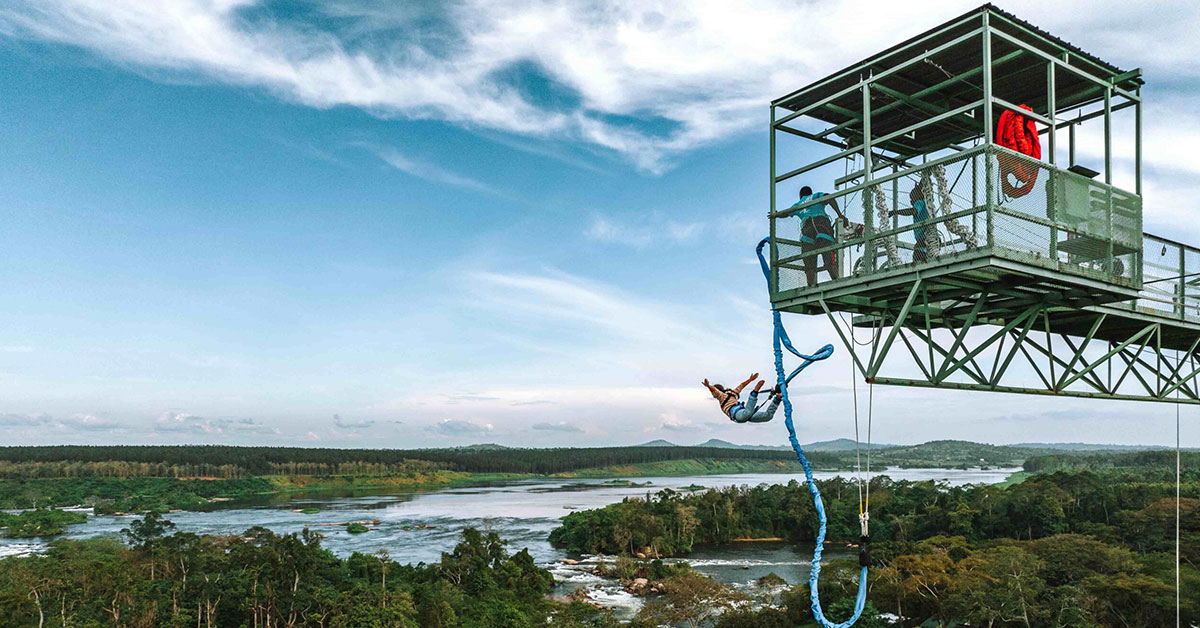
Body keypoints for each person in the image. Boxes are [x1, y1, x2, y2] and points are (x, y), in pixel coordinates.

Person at [789, 186, 847, 286]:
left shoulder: (797, 204)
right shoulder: (815, 196)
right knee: (828, 254)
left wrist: (775, 214)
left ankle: (811, 286)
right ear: (810, 193)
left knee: (809, 261)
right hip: (821, 224)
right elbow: (829, 197)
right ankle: (837, 282)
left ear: (800, 196)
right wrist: (839, 214)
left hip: (807, 228)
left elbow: (785, 213)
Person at [702, 373, 783, 423]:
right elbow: (741, 385)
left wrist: (708, 386)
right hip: (741, 414)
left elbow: (715, 391)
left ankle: (774, 398)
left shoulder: (722, 396)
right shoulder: (730, 394)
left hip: (741, 414)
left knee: (767, 416)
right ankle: (777, 399)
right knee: (758, 415)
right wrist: (750, 379)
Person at [891, 179, 933, 262]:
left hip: (923, 240)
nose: (911, 201)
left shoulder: (920, 203)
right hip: (930, 240)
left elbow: (913, 211)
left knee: (917, 259)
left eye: (912, 198)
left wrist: (896, 212)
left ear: (918, 196)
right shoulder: (929, 205)